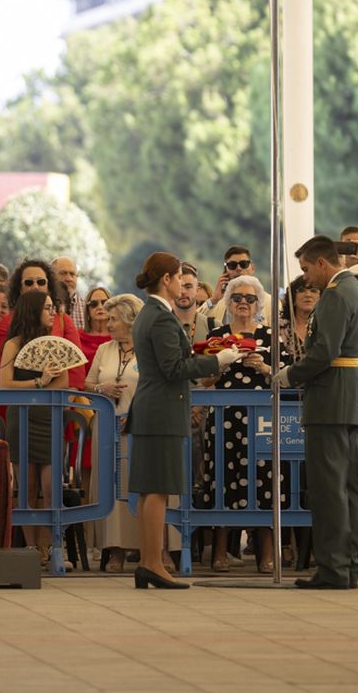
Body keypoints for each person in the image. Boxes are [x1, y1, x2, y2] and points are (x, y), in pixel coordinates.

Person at [128, 252, 236, 589]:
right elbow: (173, 368)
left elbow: (173, 359)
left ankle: (148, 562)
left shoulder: (152, 313)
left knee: (151, 489)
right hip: (162, 410)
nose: (181, 283)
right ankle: (152, 563)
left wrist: (204, 354)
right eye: (178, 277)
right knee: (158, 489)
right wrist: (218, 360)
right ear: (166, 279)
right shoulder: (161, 317)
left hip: (154, 408)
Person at [278, 236, 358, 590]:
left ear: (322, 263)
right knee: (348, 488)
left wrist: (291, 374)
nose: (306, 277)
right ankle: (346, 566)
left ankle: (333, 568)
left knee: (329, 488)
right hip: (354, 396)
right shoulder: (357, 291)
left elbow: (324, 351)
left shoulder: (335, 295)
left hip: (332, 397)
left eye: (306, 269)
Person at [197, 274, 278, 573]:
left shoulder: (270, 336)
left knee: (265, 479)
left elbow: (285, 376)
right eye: (237, 298)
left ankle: (266, 553)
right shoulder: (217, 335)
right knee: (222, 478)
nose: (243, 303)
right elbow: (204, 380)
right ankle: (220, 550)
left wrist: (264, 366)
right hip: (224, 419)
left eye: (250, 298)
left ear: (259, 303)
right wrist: (222, 363)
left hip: (262, 421)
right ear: (228, 303)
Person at [83, 293, 166, 572]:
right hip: (107, 428)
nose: (108, 323)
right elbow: (87, 383)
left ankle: (149, 551)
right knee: (111, 488)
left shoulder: (148, 347)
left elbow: (157, 385)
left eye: (114, 319)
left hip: (140, 427)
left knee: (140, 488)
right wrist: (101, 389)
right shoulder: (104, 350)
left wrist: (135, 411)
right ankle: (115, 550)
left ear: (130, 321)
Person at [0, 290, 70, 570]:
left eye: (54, 307)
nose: (53, 313)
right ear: (33, 310)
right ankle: (31, 548)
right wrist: (40, 382)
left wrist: (48, 381)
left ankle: (53, 547)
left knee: (51, 487)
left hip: (49, 418)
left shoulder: (53, 343)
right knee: (26, 488)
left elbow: (63, 383)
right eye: (48, 308)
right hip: (22, 418)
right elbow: (5, 384)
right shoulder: (14, 344)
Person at [0, 259, 85, 390]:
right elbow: (0, 378)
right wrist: (40, 383)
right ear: (19, 288)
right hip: (18, 400)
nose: (35, 286)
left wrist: (42, 396)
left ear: (49, 286)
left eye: (41, 282)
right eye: (29, 282)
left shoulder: (61, 326)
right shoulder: (9, 333)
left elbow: (72, 374)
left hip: (54, 400)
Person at [204, 245, 254, 329]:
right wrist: (213, 300)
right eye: (232, 265)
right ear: (225, 271)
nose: (238, 268)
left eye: (243, 264)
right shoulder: (216, 303)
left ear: (252, 268)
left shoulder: (269, 302)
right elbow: (194, 323)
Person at [78, 286, 113, 366]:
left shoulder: (119, 337)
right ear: (87, 310)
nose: (100, 307)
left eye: (105, 303)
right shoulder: (77, 337)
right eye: (93, 304)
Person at [53, 256, 85, 330]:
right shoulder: (44, 307)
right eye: (63, 273)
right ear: (51, 276)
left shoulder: (87, 308)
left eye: (72, 274)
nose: (69, 279)